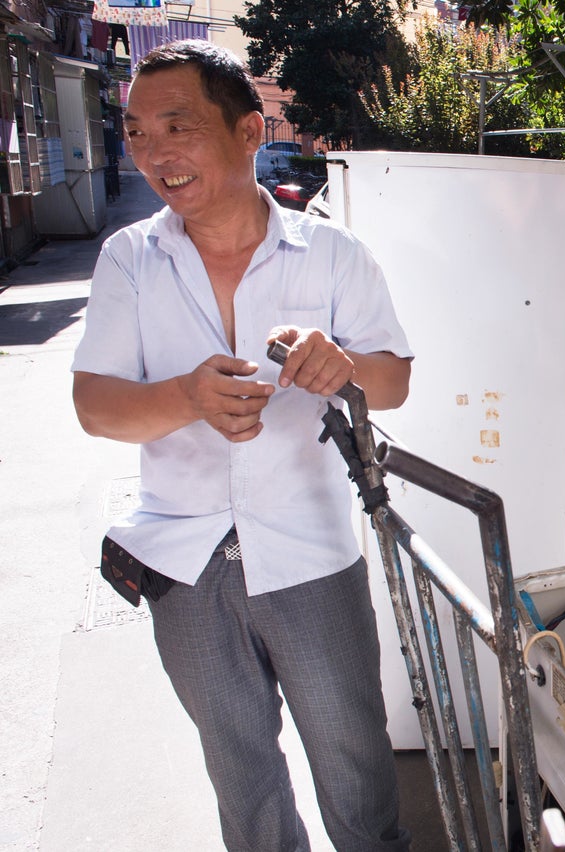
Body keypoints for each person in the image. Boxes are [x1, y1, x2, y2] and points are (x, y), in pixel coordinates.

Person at [71, 40, 413, 851]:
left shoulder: (332, 254)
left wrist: (342, 364)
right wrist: (186, 396)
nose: (155, 154)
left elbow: (393, 381)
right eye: (138, 134)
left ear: (250, 131)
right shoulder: (129, 259)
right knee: (241, 771)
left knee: (355, 759)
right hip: (185, 564)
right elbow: (96, 406)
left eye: (177, 126)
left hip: (312, 554)